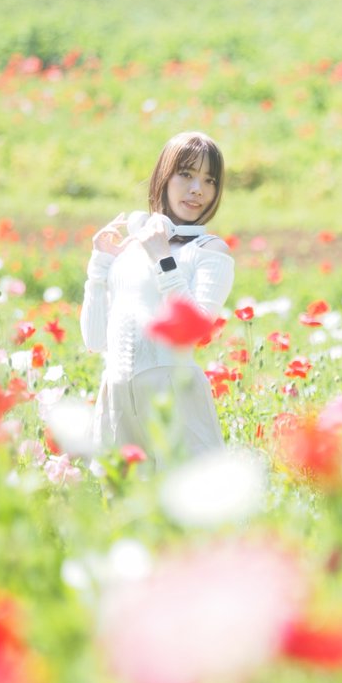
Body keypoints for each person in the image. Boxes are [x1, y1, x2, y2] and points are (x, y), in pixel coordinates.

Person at [79, 132, 235, 465]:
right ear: (163, 177)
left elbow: (195, 330)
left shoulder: (209, 251)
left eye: (209, 180)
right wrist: (100, 267)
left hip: (173, 400)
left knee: (191, 506)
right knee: (123, 509)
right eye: (187, 174)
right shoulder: (132, 249)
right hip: (117, 400)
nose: (197, 190)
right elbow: (94, 340)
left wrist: (164, 260)